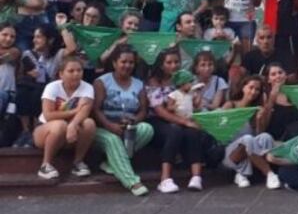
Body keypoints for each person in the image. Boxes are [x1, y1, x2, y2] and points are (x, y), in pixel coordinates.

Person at [92, 46, 153, 196]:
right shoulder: (102, 82)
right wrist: (110, 125)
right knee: (112, 140)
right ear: (114, 63)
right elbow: (96, 110)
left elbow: (143, 110)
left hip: (128, 128)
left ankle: (111, 162)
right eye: (123, 61)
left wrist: (134, 121)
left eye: (131, 62)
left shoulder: (139, 84)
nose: (127, 65)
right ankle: (133, 182)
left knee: (147, 129)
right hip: (103, 128)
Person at [146, 48, 207, 193]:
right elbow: (160, 111)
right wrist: (184, 122)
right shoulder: (154, 83)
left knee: (193, 131)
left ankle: (196, 177)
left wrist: (197, 101)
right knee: (175, 130)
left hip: (183, 117)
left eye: (176, 62)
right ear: (161, 65)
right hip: (158, 120)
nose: (174, 65)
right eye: (169, 62)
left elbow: (191, 104)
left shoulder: (183, 80)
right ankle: (165, 179)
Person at [33, 56, 96, 181]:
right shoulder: (52, 87)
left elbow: (84, 112)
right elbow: (48, 115)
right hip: (46, 131)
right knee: (59, 125)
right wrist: (74, 111)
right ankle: (45, 165)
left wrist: (72, 125)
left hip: (72, 133)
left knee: (89, 123)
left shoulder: (87, 88)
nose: (76, 74)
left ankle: (78, 162)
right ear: (61, 74)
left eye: (79, 70)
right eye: (71, 71)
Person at [221, 74, 279, 189]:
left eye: (257, 89)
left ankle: (241, 174)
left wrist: (259, 120)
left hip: (250, 150)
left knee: (265, 136)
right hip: (231, 151)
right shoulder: (230, 105)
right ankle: (269, 173)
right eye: (251, 87)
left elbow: (258, 137)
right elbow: (221, 127)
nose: (253, 92)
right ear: (243, 87)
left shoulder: (256, 109)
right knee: (247, 138)